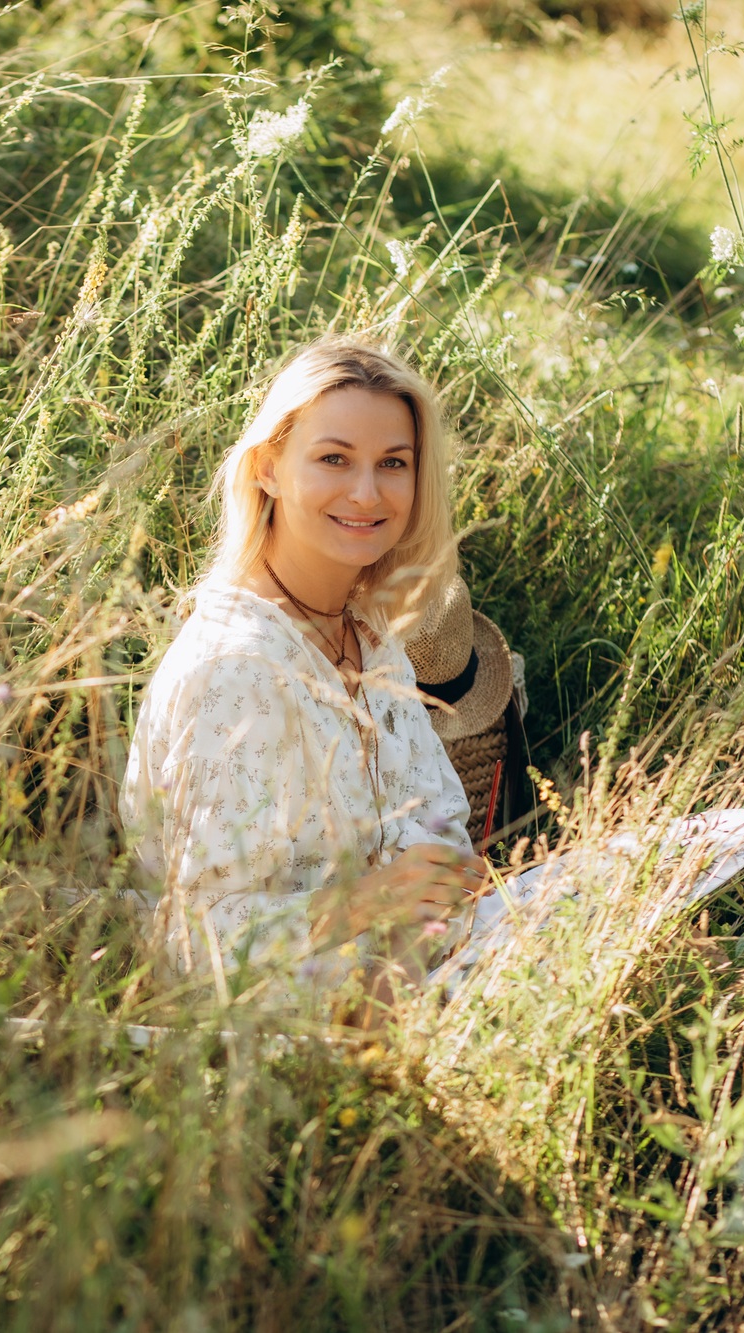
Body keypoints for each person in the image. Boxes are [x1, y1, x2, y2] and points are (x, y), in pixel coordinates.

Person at [118, 335, 489, 1017]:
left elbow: (438, 835)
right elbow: (198, 938)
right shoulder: (237, 669)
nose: (368, 492)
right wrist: (372, 903)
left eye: (394, 463)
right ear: (267, 466)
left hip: (414, 983)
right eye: (333, 459)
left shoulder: (371, 639)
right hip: (281, 1037)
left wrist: (445, 889)